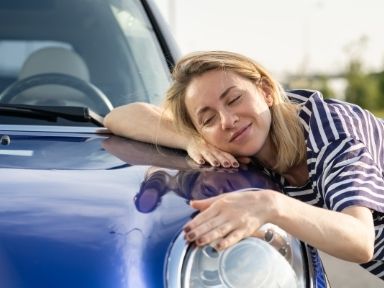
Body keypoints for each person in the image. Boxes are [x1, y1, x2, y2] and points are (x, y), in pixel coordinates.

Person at [104, 50, 384, 279]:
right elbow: (119, 117)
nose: (227, 121)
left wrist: (271, 205)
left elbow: (360, 240)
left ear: (265, 91)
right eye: (208, 119)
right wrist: (191, 141)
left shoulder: (328, 129)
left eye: (234, 99)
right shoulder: (243, 148)